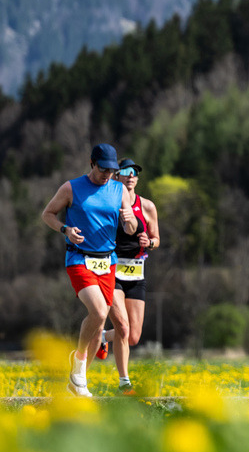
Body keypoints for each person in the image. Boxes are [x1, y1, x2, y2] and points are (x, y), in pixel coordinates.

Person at [41, 143, 138, 397]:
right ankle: (79, 361)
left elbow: (131, 229)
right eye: (103, 169)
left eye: (111, 170)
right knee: (96, 311)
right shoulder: (71, 188)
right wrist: (65, 230)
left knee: (98, 322)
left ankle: (78, 380)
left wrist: (131, 222)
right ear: (91, 163)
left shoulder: (119, 190)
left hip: (108, 261)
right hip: (79, 259)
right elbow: (48, 214)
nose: (107, 174)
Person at [94, 158, 160, 395]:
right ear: (116, 176)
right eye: (126, 171)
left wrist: (149, 242)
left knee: (133, 336)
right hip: (113, 271)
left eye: (135, 172)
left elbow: (157, 239)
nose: (131, 175)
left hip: (137, 272)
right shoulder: (110, 204)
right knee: (122, 326)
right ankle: (124, 383)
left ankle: (102, 336)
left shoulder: (148, 206)